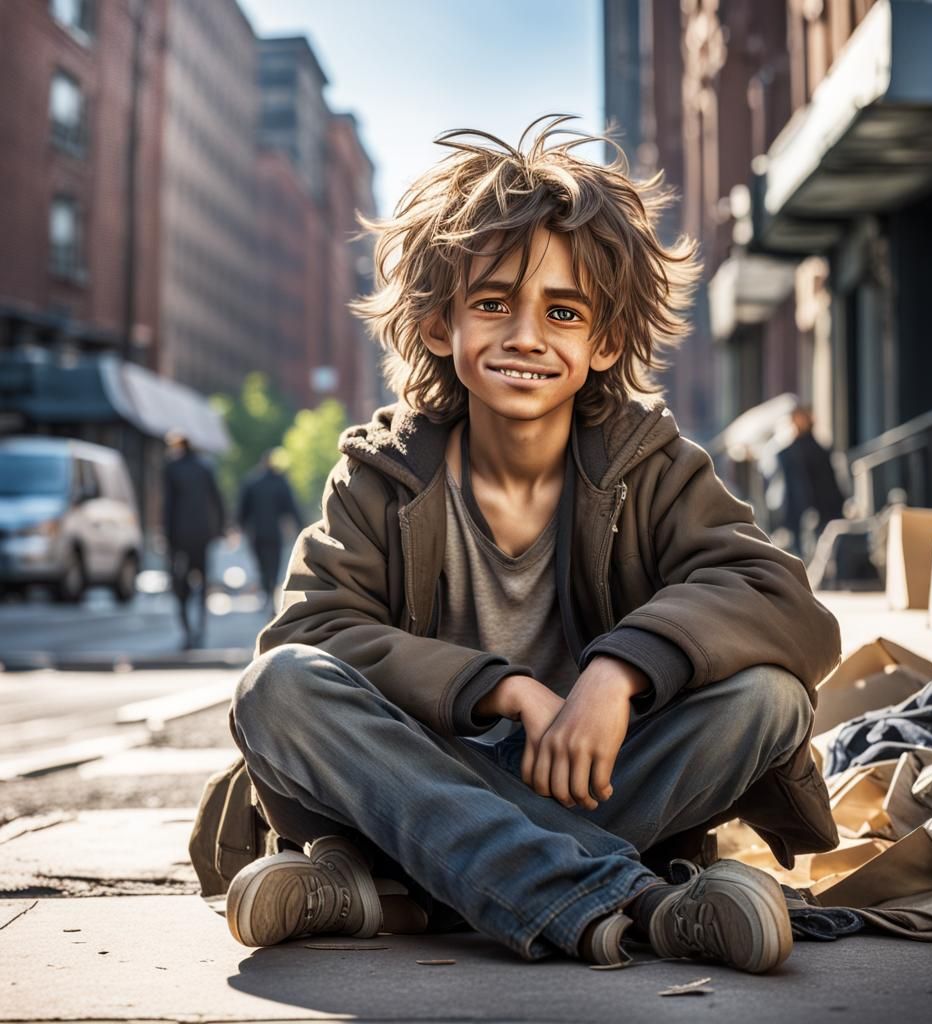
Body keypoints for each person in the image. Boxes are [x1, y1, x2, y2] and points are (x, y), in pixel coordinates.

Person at [226, 118, 841, 973]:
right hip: (421, 763)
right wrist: (503, 688)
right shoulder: (380, 472)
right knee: (278, 687)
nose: (525, 335)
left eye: (562, 311)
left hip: (592, 777)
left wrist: (618, 671)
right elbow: (309, 636)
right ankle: (641, 903)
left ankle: (402, 898)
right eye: (492, 303)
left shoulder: (651, 463)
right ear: (442, 325)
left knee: (769, 697)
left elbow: (786, 605)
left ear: (605, 342)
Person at [163, 431, 225, 649]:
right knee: (203, 581)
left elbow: (168, 506)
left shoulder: (172, 467)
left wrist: (167, 537)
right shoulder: (204, 467)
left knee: (180, 584)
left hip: (180, 536)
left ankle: (187, 631)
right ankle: (201, 629)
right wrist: (220, 529)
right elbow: (217, 500)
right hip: (203, 534)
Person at [236, 449, 303, 611]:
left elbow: (242, 510)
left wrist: (239, 527)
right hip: (275, 532)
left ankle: (267, 592)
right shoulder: (280, 482)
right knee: (274, 565)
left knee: (262, 564)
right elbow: (292, 508)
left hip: (257, 533)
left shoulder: (252, 482)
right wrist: (301, 525)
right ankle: (270, 591)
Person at [776, 407, 846, 559]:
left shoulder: (819, 451)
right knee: (804, 553)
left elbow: (829, 482)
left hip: (822, 508)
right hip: (802, 509)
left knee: (822, 552)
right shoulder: (788, 453)